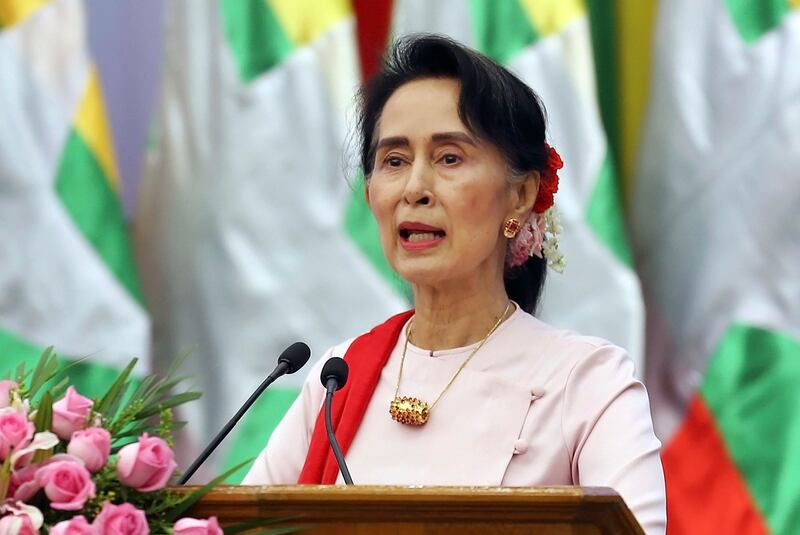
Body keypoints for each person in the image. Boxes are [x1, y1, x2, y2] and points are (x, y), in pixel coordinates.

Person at [243, 35, 666, 534]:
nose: (415, 189)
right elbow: (241, 522)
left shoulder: (589, 383)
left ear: (520, 195)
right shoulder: (338, 379)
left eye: (448, 158)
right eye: (394, 161)